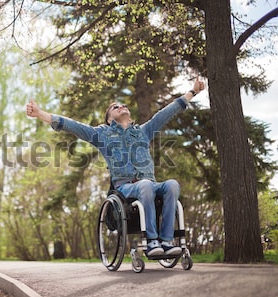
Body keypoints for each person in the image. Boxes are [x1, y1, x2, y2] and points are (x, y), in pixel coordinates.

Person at [26, 77, 205, 257]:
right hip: (125, 187)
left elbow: (166, 113)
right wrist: (40, 114)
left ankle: (167, 241)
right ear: (109, 119)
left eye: (123, 105)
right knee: (145, 185)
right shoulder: (102, 134)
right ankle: (151, 242)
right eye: (115, 107)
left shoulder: (143, 132)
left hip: (150, 182)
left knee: (172, 184)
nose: (122, 107)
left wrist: (193, 92)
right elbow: (73, 126)